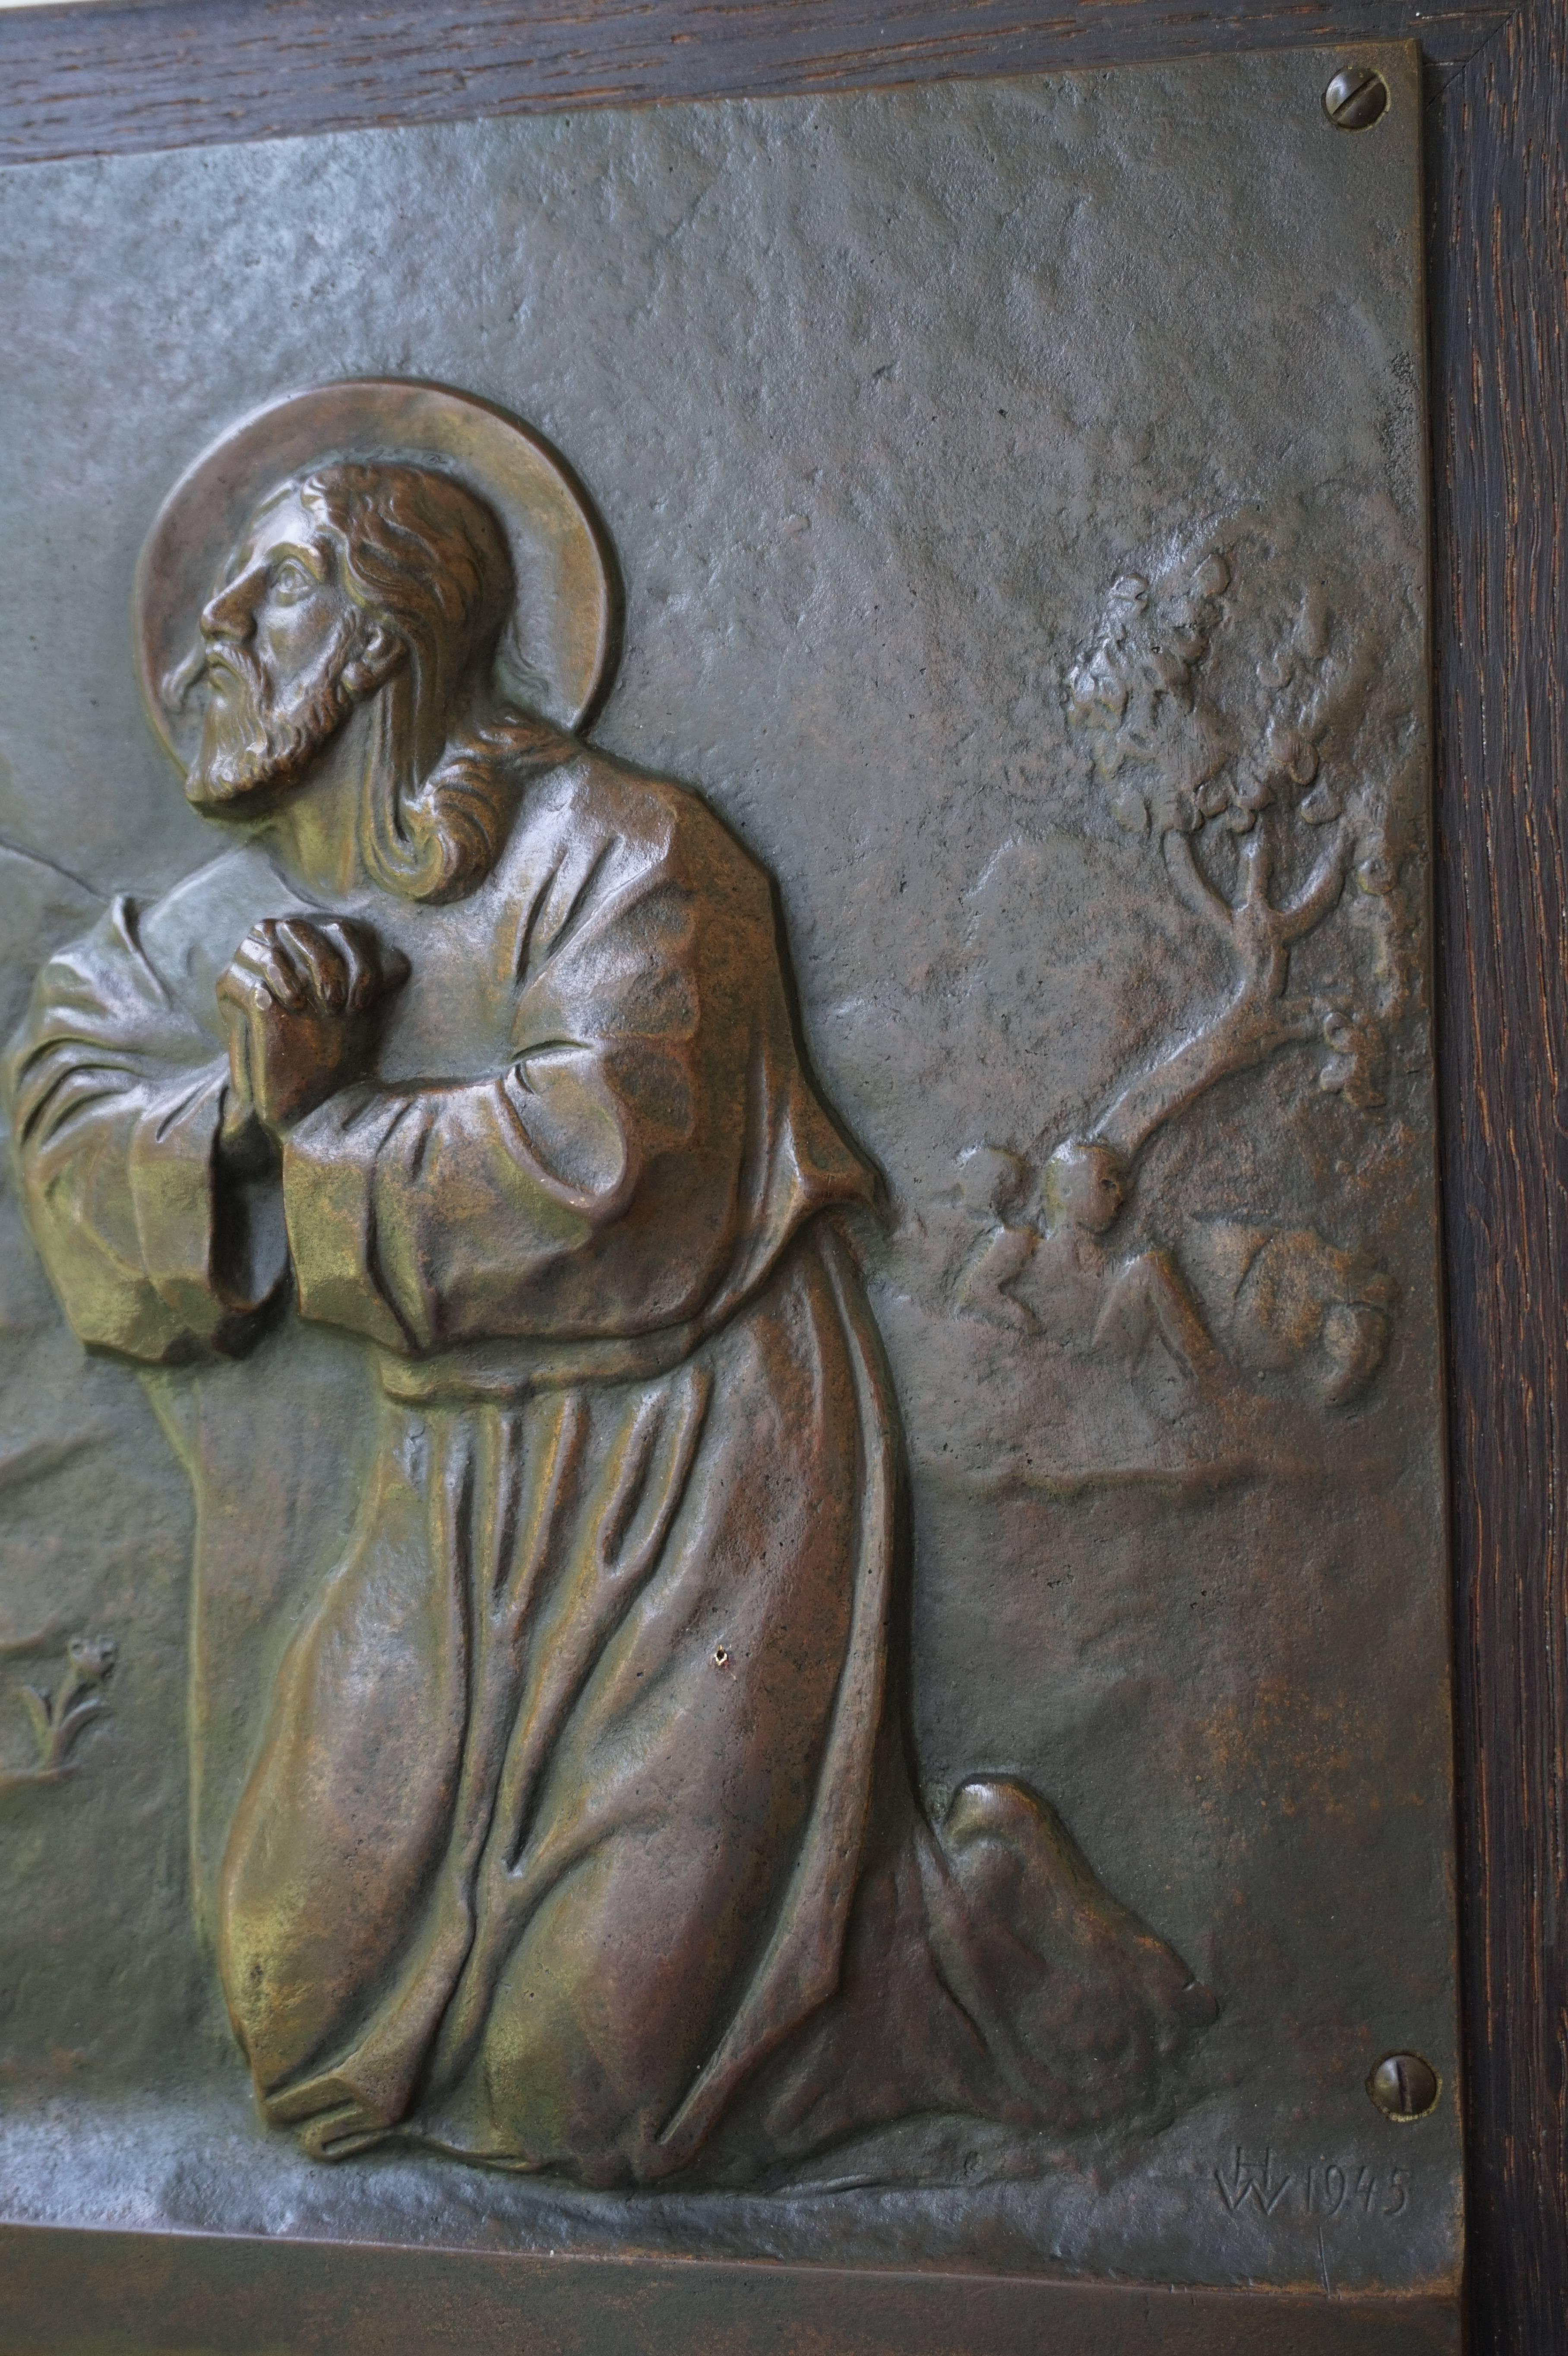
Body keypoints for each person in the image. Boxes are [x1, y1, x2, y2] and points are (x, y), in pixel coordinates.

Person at [6, 451, 1212, 2185]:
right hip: (436, 1499)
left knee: (593, 2081)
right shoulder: (199, 929)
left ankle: (945, 1958)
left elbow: (613, 1176)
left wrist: (328, 1121)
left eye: (265, 587)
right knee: (295, 2020)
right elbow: (75, 1130)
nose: (210, 628)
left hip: (695, 1476)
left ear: (376, 642)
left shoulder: (630, 855)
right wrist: (246, 1110)